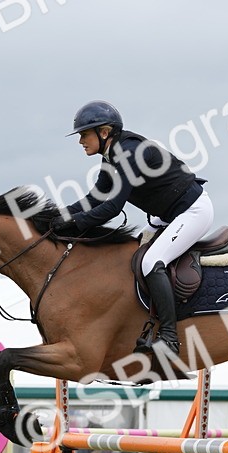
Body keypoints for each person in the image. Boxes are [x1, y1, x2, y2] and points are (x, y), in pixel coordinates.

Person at [54, 100, 214, 356]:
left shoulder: (128, 155)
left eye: (84, 134)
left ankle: (170, 339)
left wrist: (74, 223)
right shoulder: (111, 157)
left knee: (152, 262)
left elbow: (113, 208)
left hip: (192, 211)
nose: (81, 141)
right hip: (170, 217)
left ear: (104, 132)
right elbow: (95, 198)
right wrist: (57, 215)